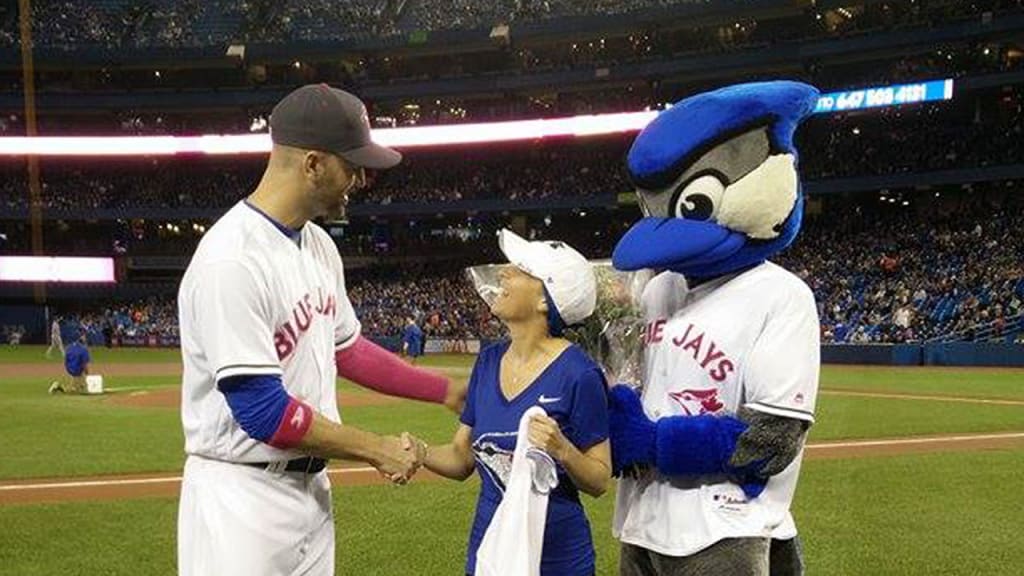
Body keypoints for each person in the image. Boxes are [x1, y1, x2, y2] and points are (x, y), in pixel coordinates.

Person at [176, 84, 465, 576]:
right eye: (352, 166)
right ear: (313, 164)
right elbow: (263, 412)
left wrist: (445, 390)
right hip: (241, 500)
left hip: (310, 491)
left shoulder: (318, 245)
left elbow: (347, 350)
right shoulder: (232, 260)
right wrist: (375, 448)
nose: (360, 180)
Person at [415, 229, 611, 576]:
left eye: (519, 270)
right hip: (491, 552)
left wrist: (563, 449)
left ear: (545, 300)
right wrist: (419, 452)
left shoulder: (579, 374)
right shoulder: (488, 361)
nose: (503, 272)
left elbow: (599, 480)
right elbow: (462, 458)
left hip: (557, 561)